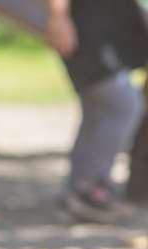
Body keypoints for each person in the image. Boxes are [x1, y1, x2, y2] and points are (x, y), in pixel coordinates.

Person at [44, 0, 148, 221]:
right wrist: (58, 16)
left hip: (105, 28)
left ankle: (80, 190)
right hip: (86, 29)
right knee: (121, 102)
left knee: (100, 107)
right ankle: (89, 190)